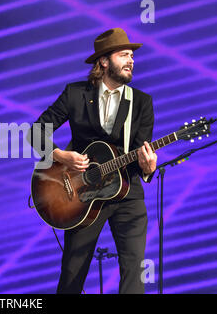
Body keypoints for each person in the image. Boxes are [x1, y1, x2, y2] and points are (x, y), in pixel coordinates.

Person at [29, 28, 157, 294]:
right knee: (73, 272)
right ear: (104, 61)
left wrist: (147, 167)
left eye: (132, 55)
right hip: (80, 193)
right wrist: (60, 155)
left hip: (127, 192)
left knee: (134, 269)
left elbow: (140, 152)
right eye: (124, 54)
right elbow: (35, 131)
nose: (131, 60)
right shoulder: (75, 93)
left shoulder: (142, 102)